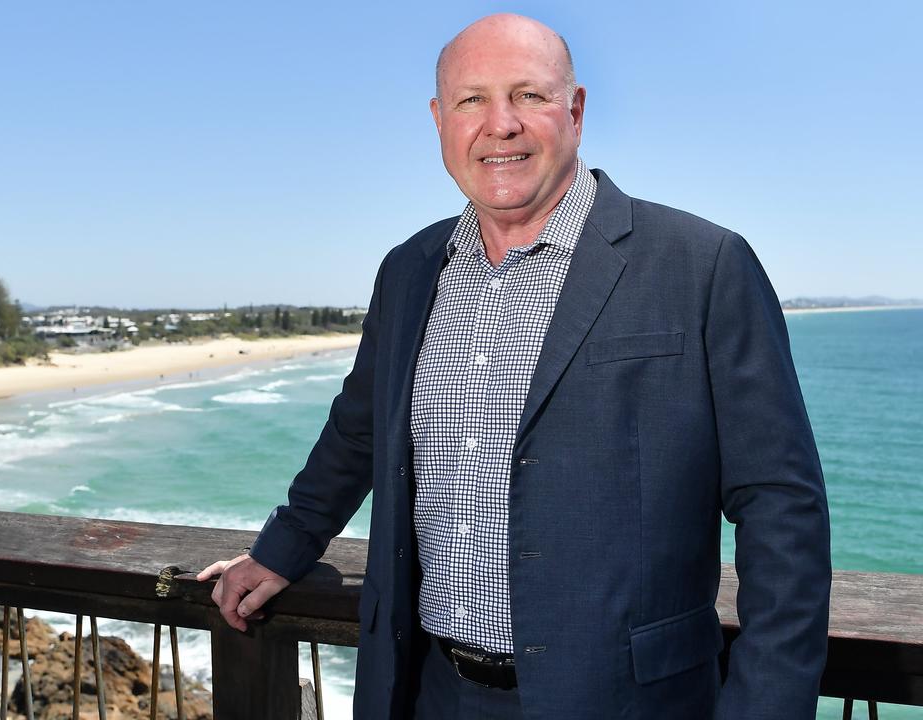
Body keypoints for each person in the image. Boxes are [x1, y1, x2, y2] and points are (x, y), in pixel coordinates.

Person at [198, 13, 830, 720]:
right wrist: (282, 550)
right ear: (440, 120)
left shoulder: (703, 265)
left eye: (528, 95)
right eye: (471, 100)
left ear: (576, 110)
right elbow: (358, 432)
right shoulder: (409, 270)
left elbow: (782, 510)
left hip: (627, 703)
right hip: (427, 691)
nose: (499, 125)